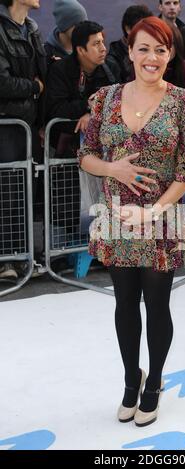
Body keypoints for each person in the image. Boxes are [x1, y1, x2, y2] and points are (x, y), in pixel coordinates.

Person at [78, 16, 185, 426]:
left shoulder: (183, 103)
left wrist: (153, 211)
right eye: (144, 48)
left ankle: (154, 385)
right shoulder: (106, 98)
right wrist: (112, 170)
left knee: (157, 304)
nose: (152, 57)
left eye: (161, 50)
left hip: (162, 216)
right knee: (124, 304)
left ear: (170, 55)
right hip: (115, 216)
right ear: (129, 50)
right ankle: (133, 380)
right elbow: (86, 155)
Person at [0, 0, 46, 279]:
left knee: (25, 192)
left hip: (29, 124)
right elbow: (2, 82)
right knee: (7, 192)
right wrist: (34, 88)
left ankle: (23, 256)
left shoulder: (33, 30)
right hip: (7, 123)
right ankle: (6, 260)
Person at [46, 21, 119, 146]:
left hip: (105, 145)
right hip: (66, 145)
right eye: (96, 44)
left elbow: (120, 102)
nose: (103, 48)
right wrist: (86, 104)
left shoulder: (111, 68)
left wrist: (92, 113)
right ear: (80, 50)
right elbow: (55, 110)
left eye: (102, 41)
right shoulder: (60, 70)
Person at [107, 4, 153, 83]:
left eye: (149, 29)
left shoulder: (153, 51)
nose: (147, 33)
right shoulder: (113, 60)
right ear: (128, 29)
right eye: (142, 29)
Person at [45, 0, 88, 68]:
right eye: (77, 25)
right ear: (65, 25)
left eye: (84, 24)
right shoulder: (45, 55)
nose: (82, 29)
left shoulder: (87, 50)